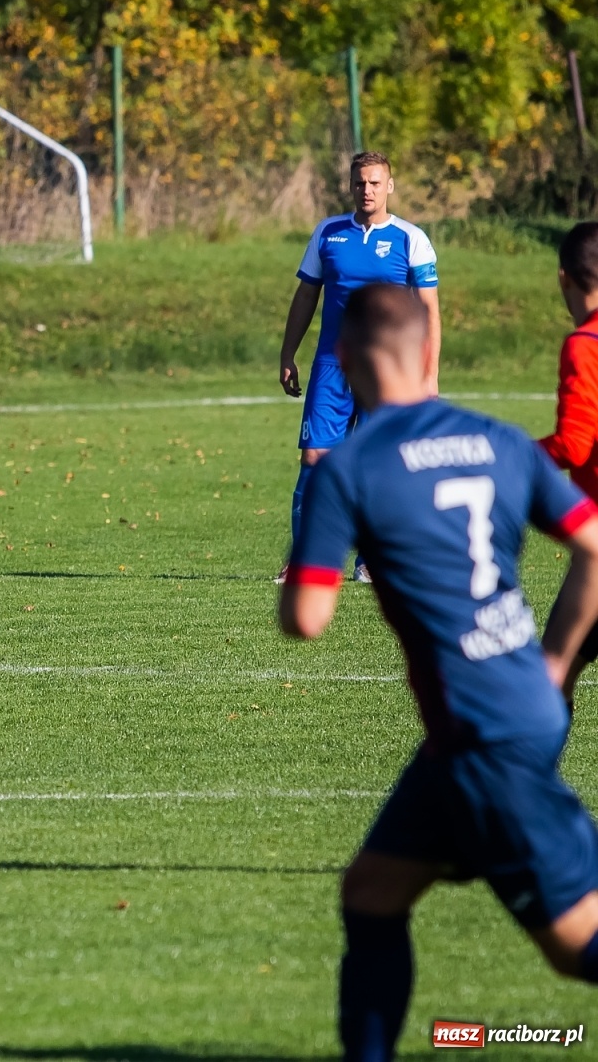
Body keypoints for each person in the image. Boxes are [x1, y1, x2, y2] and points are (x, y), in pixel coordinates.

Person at [278, 283, 598, 1061]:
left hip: (485, 737)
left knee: (574, 947)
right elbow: (594, 543)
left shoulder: (350, 468)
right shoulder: (501, 441)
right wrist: (555, 658)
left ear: (345, 359)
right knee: (372, 894)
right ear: (430, 349)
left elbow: (307, 619)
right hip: (500, 713)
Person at [278, 152, 442, 583]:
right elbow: (305, 297)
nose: (366, 190)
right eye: (359, 183)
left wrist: (429, 374)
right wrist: (287, 354)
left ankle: (370, 561)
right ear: (349, 186)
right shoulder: (327, 233)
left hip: (388, 370)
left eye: (374, 183)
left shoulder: (411, 239)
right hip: (332, 365)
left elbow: (430, 313)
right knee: (314, 457)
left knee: (382, 460)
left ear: (389, 186)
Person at [539, 221, 598, 706]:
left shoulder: (585, 344)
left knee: (550, 675)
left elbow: (574, 444)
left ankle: (529, 783)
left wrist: (511, 457)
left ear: (564, 278)